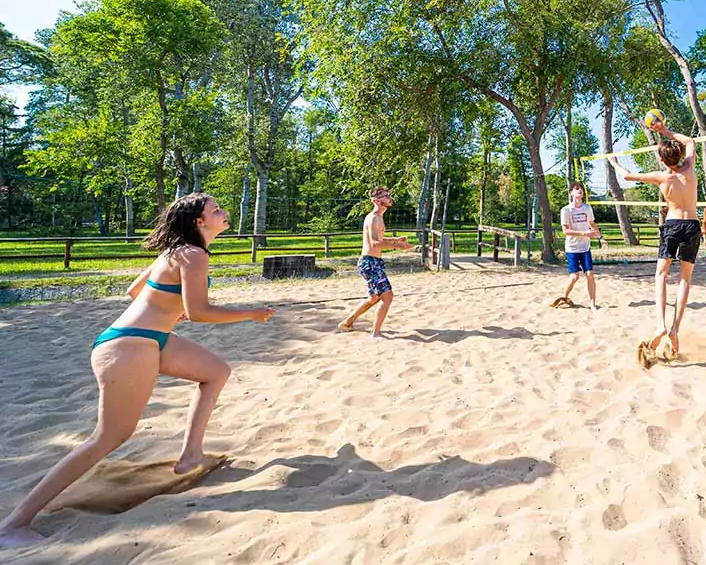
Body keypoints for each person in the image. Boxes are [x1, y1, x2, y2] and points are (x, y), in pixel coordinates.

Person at [0, 193, 274, 548]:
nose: (224, 213)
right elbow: (199, 312)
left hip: (144, 339)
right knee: (109, 437)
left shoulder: (175, 251)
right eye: (216, 210)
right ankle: (14, 524)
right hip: (129, 346)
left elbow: (134, 292)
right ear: (199, 222)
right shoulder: (193, 254)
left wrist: (162, 315)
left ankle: (191, 454)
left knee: (216, 371)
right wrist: (250, 313)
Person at [607, 120, 699, 366]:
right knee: (685, 279)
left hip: (671, 226)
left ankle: (661, 324)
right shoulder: (689, 168)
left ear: (661, 161)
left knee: (661, 275)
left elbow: (627, 175)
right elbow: (690, 141)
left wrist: (615, 162)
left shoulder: (661, 177)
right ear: (679, 156)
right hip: (691, 225)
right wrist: (665, 131)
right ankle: (675, 329)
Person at [338, 187, 413, 337]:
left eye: (388, 195)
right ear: (378, 201)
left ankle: (347, 323)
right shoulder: (374, 218)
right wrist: (398, 246)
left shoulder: (377, 217)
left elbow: (378, 239)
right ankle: (376, 334)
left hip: (372, 262)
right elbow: (374, 243)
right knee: (387, 296)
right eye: (386, 196)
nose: (390, 197)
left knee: (374, 297)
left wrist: (395, 240)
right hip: (369, 262)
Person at [553, 182, 605, 312]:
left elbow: (592, 224)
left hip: (585, 247)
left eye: (581, 188)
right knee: (574, 277)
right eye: (577, 189)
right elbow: (565, 231)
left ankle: (593, 304)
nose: (580, 190)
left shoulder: (587, 208)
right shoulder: (566, 210)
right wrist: (583, 233)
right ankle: (563, 298)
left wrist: (601, 238)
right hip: (572, 248)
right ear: (571, 193)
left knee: (590, 275)